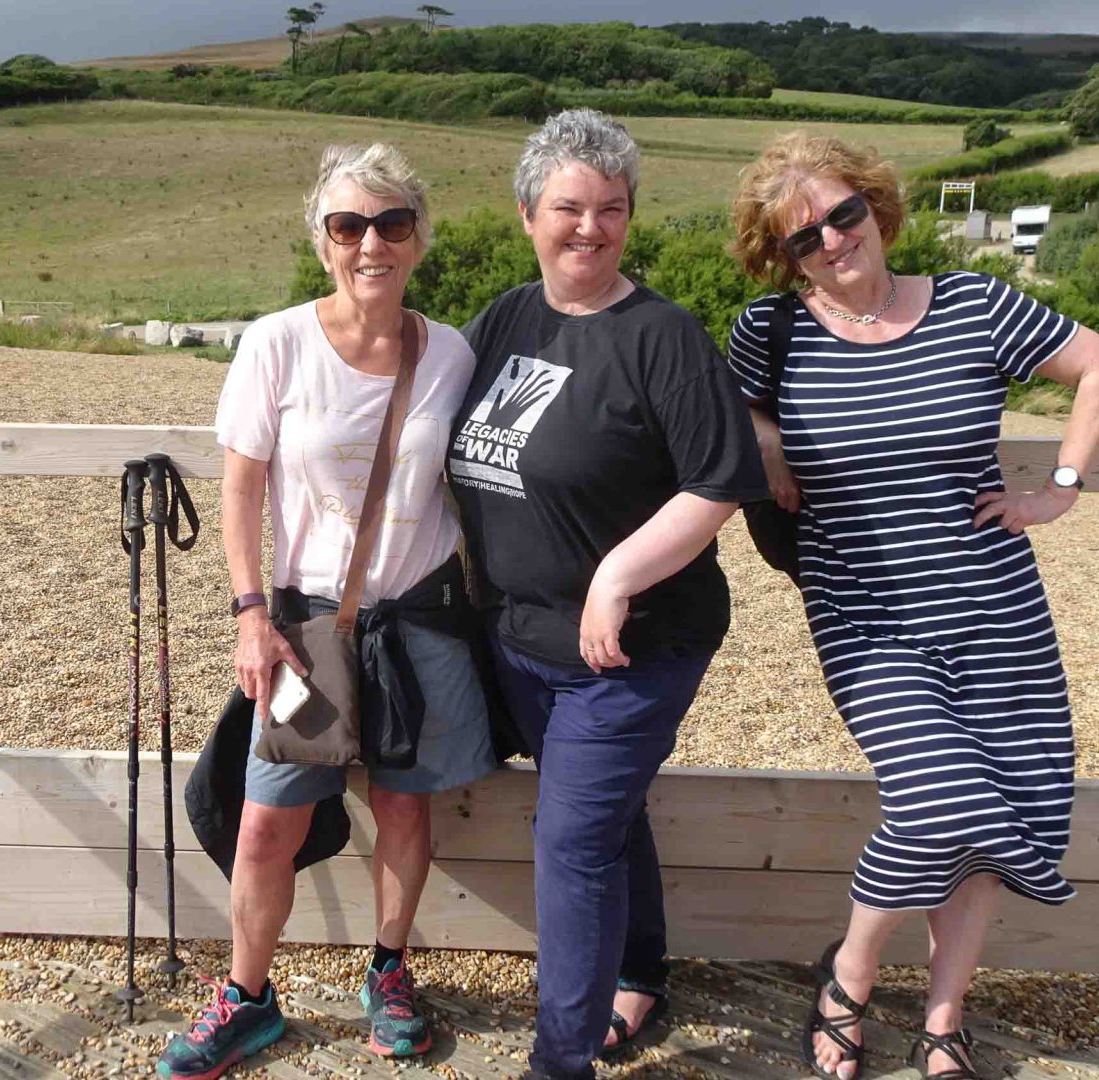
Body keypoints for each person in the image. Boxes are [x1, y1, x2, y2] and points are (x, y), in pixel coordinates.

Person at [722, 132, 1099, 1080]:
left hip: (998, 610)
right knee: (941, 797)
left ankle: (945, 1014)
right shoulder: (770, 332)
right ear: (780, 257)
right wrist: (770, 442)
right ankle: (852, 975)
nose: (831, 240)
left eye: (843, 214)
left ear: (875, 206)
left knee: (1002, 810)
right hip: (865, 616)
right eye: (803, 237)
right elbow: (731, 418)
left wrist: (1061, 486)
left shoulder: (973, 303)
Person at [156, 143, 501, 1080]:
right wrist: (248, 613)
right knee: (270, 820)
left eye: (392, 224)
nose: (371, 244)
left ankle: (387, 971)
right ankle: (248, 996)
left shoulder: (452, 352)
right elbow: (241, 490)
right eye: (350, 226)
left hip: (420, 622)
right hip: (310, 631)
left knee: (402, 802)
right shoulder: (277, 342)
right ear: (323, 242)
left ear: (419, 239)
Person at [445, 109, 771, 1080]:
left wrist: (616, 579)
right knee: (605, 816)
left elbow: (717, 480)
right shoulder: (508, 318)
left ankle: (561, 1059)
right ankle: (640, 972)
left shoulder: (660, 336)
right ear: (525, 214)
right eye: (568, 208)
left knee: (571, 841)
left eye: (612, 210)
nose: (589, 228)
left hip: (633, 646)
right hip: (522, 639)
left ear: (631, 218)